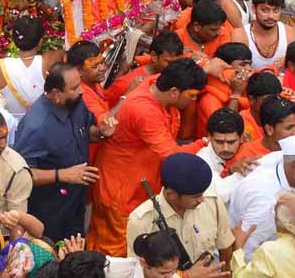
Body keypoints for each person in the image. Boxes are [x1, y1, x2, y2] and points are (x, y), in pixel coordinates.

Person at [89, 58, 207, 254]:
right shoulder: (144, 111)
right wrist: (204, 143)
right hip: (122, 191)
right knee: (117, 250)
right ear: (174, 92)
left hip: (140, 186)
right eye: (192, 95)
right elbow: (173, 157)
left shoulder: (159, 83)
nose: (194, 100)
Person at [15, 63, 112, 242]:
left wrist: (100, 132)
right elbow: (22, 175)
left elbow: (86, 129)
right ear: (56, 94)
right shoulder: (36, 126)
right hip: (50, 212)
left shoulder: (76, 104)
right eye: (74, 88)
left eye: (80, 84)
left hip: (75, 203)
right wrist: (62, 175)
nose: (82, 91)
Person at [126, 153, 234, 263]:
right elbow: (138, 270)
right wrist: (186, 275)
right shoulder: (141, 221)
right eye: (195, 197)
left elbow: (225, 245)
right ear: (172, 194)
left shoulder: (212, 201)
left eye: (202, 193)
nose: (202, 200)